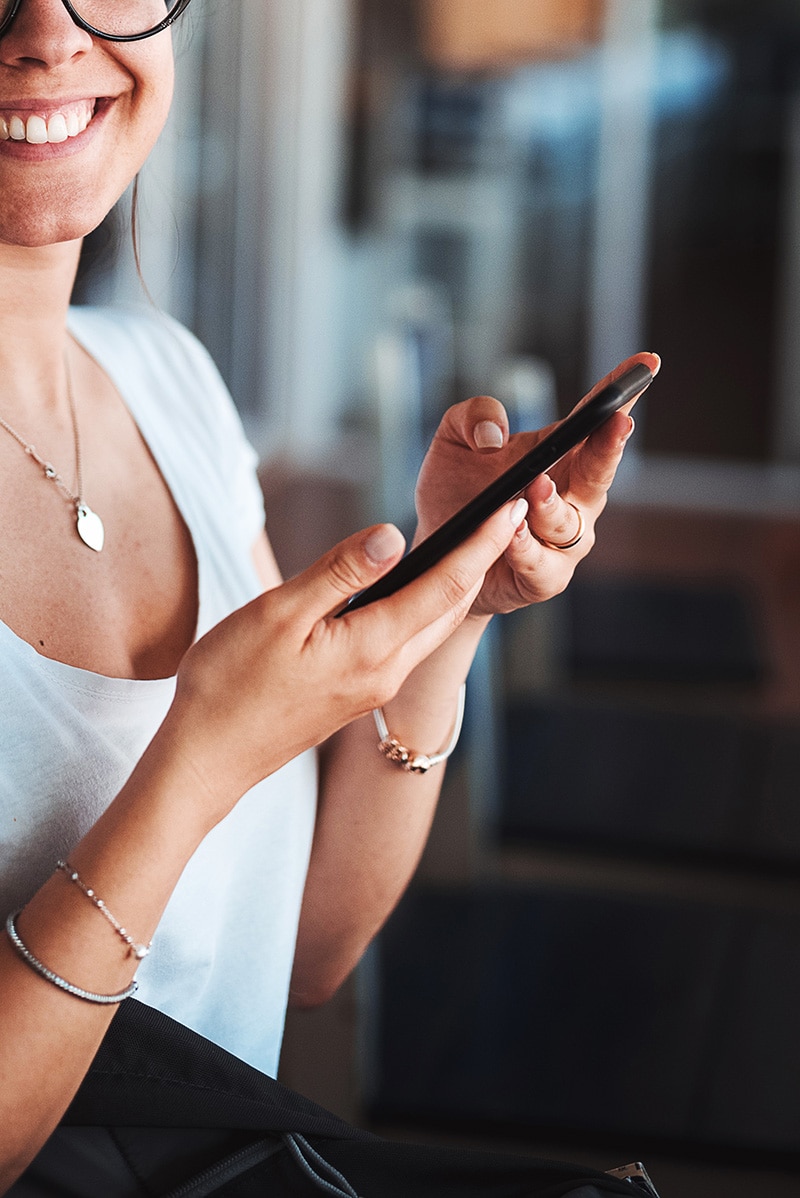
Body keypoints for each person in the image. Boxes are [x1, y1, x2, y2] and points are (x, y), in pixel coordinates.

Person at [0, 0, 658, 1191]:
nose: (50, 33)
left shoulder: (173, 385)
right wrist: (199, 757)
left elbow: (306, 947)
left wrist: (453, 601)